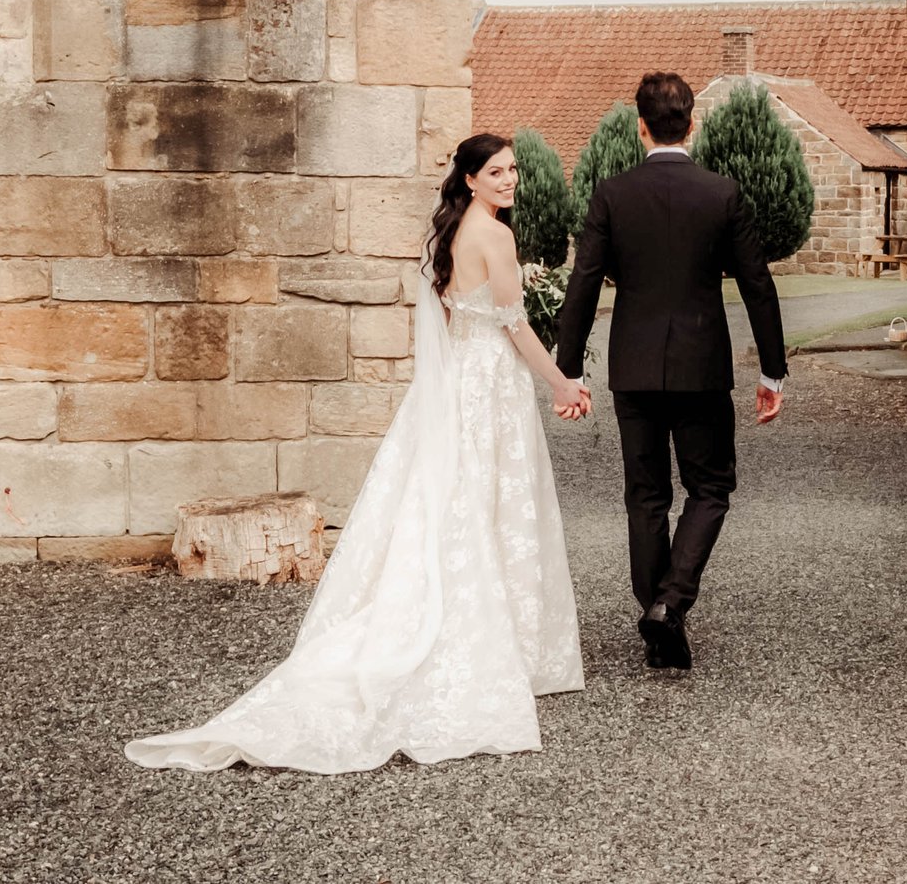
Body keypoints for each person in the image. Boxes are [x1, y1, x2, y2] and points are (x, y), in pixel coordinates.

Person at [126, 134, 590, 773]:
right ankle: (499, 642)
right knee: (484, 501)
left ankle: (488, 629)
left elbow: (460, 322)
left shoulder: (455, 236)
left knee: (449, 501)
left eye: (514, 170)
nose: (510, 180)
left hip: (456, 381)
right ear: (470, 180)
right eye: (497, 171)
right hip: (488, 387)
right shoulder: (497, 237)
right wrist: (562, 383)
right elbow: (513, 326)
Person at [553, 71, 787, 672]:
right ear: (693, 123)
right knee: (711, 488)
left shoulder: (612, 193)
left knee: (645, 494)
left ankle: (659, 606)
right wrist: (772, 371)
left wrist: (569, 368)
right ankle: (671, 604)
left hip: (632, 365)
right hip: (701, 367)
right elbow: (758, 285)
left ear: (639, 126)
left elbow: (583, 284)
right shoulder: (722, 193)